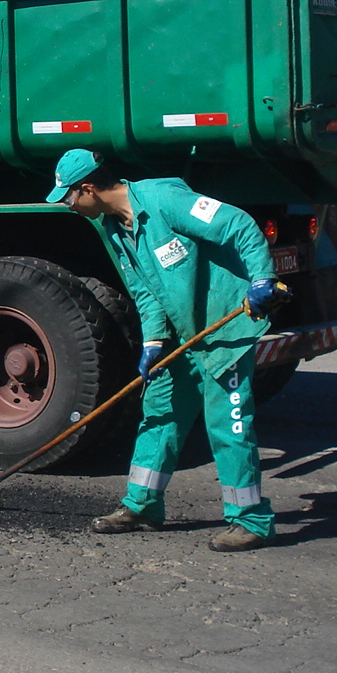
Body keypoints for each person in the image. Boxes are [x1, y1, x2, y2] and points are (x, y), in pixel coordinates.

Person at [48, 148, 289, 552]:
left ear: (88, 188)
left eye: (69, 198)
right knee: (159, 414)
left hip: (222, 328)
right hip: (181, 336)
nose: (69, 207)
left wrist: (262, 278)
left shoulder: (164, 199)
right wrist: (154, 343)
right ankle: (141, 506)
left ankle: (252, 521)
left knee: (227, 426)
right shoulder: (112, 227)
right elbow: (144, 290)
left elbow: (240, 225)